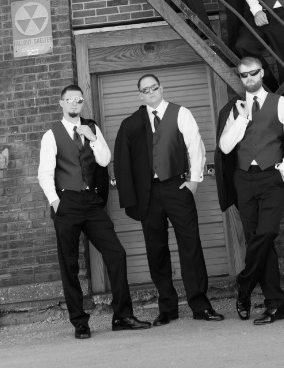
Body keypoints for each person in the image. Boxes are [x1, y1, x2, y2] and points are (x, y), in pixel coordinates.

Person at [37, 84, 150, 339]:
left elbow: (104, 160)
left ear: (82, 103)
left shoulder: (92, 128)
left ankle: (122, 316)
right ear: (61, 103)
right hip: (66, 202)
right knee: (69, 265)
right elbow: (44, 173)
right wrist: (55, 202)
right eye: (69, 100)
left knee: (116, 253)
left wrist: (93, 137)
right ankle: (79, 322)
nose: (74, 104)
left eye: (78, 100)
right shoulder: (51, 135)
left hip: (91, 202)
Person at [113, 74, 224, 325]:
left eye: (154, 87)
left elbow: (195, 146)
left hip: (177, 186)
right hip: (149, 193)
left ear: (162, 88)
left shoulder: (180, 113)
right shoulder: (131, 123)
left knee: (190, 244)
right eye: (145, 90)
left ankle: (200, 305)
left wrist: (194, 181)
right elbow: (122, 162)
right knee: (156, 249)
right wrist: (131, 197)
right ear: (140, 95)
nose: (150, 92)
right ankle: (167, 308)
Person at [215, 57, 284, 325]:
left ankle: (244, 285)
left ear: (262, 73)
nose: (249, 78)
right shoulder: (234, 109)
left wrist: (283, 170)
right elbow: (225, 146)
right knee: (259, 241)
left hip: (272, 177)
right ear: (240, 78)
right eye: (244, 75)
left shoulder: (280, 103)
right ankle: (276, 305)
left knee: (266, 234)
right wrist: (242, 118)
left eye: (253, 73)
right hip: (244, 179)